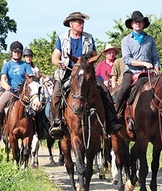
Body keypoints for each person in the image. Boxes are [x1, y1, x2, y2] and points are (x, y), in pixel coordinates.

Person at [49, 11, 122, 139]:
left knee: (104, 90)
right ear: (71, 24)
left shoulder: (89, 38)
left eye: (82, 22)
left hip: (86, 73)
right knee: (56, 94)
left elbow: (94, 55)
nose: (82, 24)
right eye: (79, 22)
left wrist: (90, 61)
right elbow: (55, 57)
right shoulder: (61, 38)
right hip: (67, 72)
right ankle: (56, 123)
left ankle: (112, 121)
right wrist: (59, 62)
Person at [114, 10, 161, 113]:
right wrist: (144, 63)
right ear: (131, 24)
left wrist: (156, 67)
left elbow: (155, 57)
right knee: (125, 89)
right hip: (131, 71)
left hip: (149, 72)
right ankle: (115, 114)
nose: (138, 23)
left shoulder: (150, 39)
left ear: (144, 23)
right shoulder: (126, 40)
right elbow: (127, 59)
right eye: (135, 22)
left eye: (140, 21)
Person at [0, 40, 35, 141]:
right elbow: (3, 78)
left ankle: (41, 128)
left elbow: (31, 77)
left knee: (37, 106)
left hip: (24, 92)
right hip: (11, 91)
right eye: (15, 52)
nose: (17, 53)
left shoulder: (25, 65)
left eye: (19, 52)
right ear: (11, 52)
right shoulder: (7, 65)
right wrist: (6, 86)